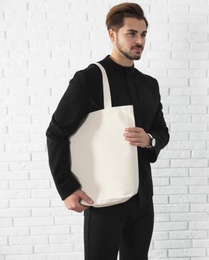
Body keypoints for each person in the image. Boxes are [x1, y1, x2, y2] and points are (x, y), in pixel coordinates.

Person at [46, 3, 169, 260]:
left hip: (143, 200)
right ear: (112, 35)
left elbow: (162, 131)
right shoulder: (89, 79)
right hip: (103, 199)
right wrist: (67, 188)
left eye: (143, 34)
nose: (139, 41)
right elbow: (57, 133)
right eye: (132, 33)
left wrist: (149, 140)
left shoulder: (150, 85)